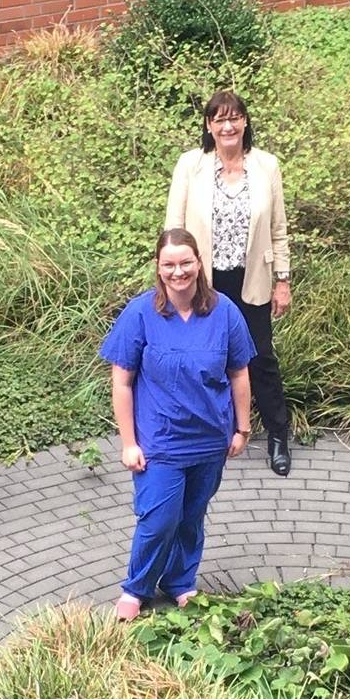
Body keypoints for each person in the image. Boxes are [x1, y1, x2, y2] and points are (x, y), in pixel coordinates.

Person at [100, 229, 254, 620]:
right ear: (158, 267)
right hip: (160, 440)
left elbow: (239, 373)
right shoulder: (140, 313)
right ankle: (136, 588)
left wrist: (242, 428)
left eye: (186, 262)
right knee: (159, 519)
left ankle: (180, 581)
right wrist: (128, 442)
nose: (178, 271)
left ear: (199, 263)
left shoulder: (224, 312)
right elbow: (122, 382)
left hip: (209, 438)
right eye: (169, 264)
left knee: (191, 517)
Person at [165, 89, 294, 476]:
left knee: (260, 358)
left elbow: (278, 230)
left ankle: (278, 434)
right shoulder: (191, 166)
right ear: (209, 125)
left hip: (251, 277)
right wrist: (172, 274)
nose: (227, 126)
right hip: (202, 279)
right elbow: (174, 227)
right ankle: (204, 433)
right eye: (219, 119)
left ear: (245, 121)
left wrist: (283, 280)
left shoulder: (266, 166)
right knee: (199, 355)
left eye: (234, 118)